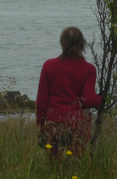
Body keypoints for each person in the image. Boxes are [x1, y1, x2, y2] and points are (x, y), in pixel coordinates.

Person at [36, 26, 102, 156]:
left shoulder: (48, 66)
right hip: (78, 124)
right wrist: (100, 99)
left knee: (54, 163)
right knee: (76, 162)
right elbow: (89, 101)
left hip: (53, 122)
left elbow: (41, 102)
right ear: (82, 44)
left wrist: (40, 128)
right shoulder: (89, 69)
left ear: (62, 43)